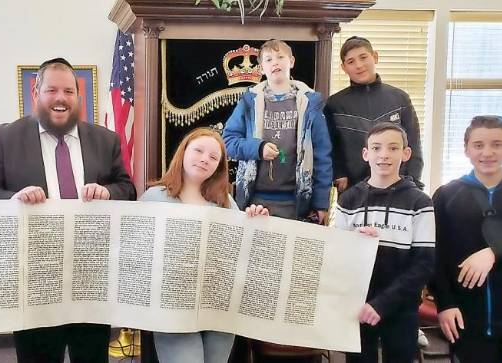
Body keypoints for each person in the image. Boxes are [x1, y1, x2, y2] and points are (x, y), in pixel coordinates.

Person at [0, 57, 136, 363]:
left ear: (78, 96)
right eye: (51, 90)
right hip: (35, 277)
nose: (60, 98)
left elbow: (128, 190)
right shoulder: (6, 137)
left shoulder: (106, 140)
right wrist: (13, 198)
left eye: (68, 91)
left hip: (91, 276)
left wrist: (108, 192)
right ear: (36, 93)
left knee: (91, 357)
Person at [222, 38, 332, 363]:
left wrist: (322, 203)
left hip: (296, 203)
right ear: (261, 67)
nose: (275, 62)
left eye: (280, 56)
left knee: (292, 283)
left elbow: (323, 155)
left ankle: (292, 351)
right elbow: (228, 141)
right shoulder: (248, 101)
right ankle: (254, 348)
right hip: (256, 204)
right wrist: (255, 148)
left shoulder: (310, 103)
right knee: (256, 282)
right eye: (268, 58)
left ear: (291, 61)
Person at [141, 127, 269, 363]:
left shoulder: (225, 202)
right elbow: (136, 253)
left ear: (219, 167)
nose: (204, 159)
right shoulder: (154, 197)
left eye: (213, 157)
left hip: (218, 309)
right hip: (174, 310)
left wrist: (254, 222)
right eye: (198, 150)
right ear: (183, 152)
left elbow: (240, 253)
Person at [334, 122, 435, 362]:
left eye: (392, 148)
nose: (384, 155)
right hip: (359, 308)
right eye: (377, 148)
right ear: (366, 153)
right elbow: (337, 260)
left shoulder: (420, 202)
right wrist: (354, 246)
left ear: (406, 153)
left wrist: (382, 304)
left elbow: (424, 264)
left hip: (401, 309)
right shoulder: (348, 200)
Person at [429, 115, 502, 362]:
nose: (487, 152)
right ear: (467, 149)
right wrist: (444, 304)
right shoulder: (447, 196)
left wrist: (495, 251)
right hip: (465, 320)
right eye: (478, 145)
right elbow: (436, 256)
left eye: (497, 144)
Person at [325, 36, 424, 192]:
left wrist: (413, 184)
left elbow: (414, 145)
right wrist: (339, 173)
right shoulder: (334, 104)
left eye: (363, 57)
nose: (359, 65)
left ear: (375, 57)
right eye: (351, 62)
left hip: (397, 189)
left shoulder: (400, 99)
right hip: (352, 190)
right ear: (343, 68)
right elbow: (329, 146)